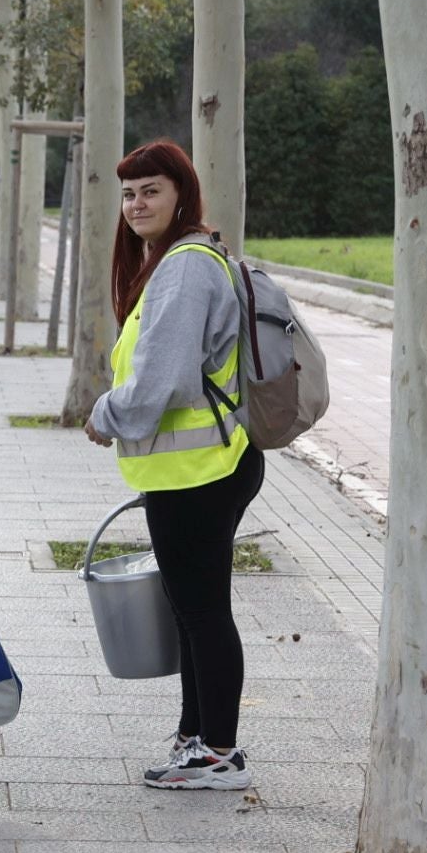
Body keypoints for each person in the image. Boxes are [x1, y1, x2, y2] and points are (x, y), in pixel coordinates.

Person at [83, 139, 265, 791]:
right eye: (129, 193)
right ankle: (197, 738)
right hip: (191, 472)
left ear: (181, 193)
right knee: (191, 612)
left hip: (201, 475)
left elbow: (163, 382)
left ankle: (221, 752)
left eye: (150, 190)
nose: (136, 204)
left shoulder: (186, 268)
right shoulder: (175, 262)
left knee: (203, 612)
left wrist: (106, 413)